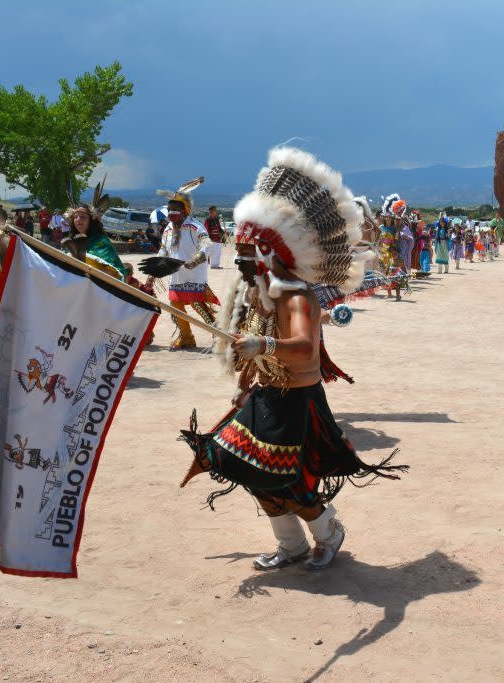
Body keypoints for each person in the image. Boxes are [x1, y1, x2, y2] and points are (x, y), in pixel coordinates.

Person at [179, 147, 405, 571]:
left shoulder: (297, 297)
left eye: (248, 253)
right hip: (266, 397)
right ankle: (292, 545)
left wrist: (262, 346)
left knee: (283, 479)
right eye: (239, 253)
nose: (241, 261)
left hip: (297, 402)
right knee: (245, 467)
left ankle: (328, 532)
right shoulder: (260, 295)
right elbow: (257, 345)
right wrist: (243, 385)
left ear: (269, 253)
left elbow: (303, 346)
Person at [146, 178, 218, 350]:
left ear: (184, 211)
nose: (171, 213)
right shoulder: (168, 229)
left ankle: (219, 335)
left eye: (175, 210)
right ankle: (187, 338)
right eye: (169, 210)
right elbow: (163, 251)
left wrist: (195, 260)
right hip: (175, 277)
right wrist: (153, 272)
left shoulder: (195, 227)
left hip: (194, 276)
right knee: (176, 308)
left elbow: (207, 245)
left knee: (199, 305)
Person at [63, 182, 129, 281]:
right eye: (75, 217)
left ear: (91, 221)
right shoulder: (74, 242)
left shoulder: (101, 242)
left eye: (83, 217)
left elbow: (112, 271)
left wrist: (87, 278)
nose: (78, 220)